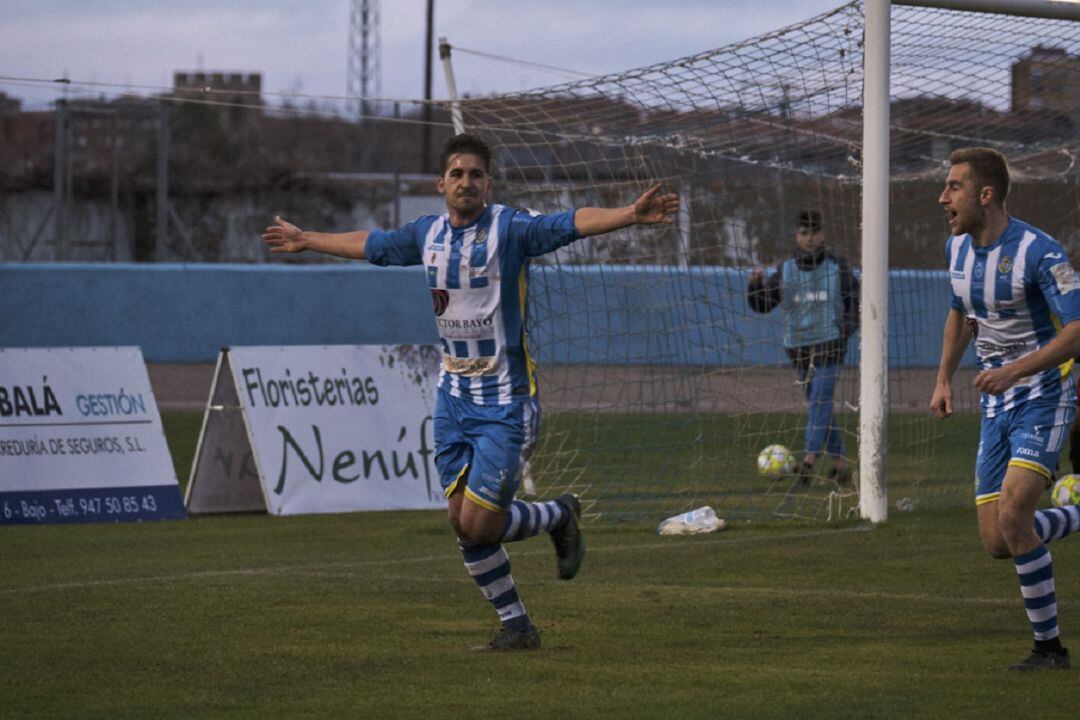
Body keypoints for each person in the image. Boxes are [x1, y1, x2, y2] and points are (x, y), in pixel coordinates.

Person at [262, 133, 678, 651]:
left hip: (506, 403)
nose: (466, 182)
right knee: (462, 522)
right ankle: (517, 625)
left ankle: (557, 515)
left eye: (476, 174)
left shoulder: (511, 229)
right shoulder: (426, 233)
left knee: (482, 523)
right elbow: (371, 245)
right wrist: (308, 240)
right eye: (457, 174)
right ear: (441, 183)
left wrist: (628, 215)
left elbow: (570, 222)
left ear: (488, 183)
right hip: (452, 401)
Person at [930, 147, 1080, 671]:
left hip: (1045, 393)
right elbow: (958, 313)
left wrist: (1016, 370)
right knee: (999, 540)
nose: (942, 197)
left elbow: (1078, 332)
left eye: (953, 187)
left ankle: (1050, 650)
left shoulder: (1042, 252)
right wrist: (944, 378)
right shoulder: (956, 252)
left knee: (1016, 516)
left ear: (984, 194)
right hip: (997, 404)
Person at [747, 209, 860, 487]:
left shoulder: (838, 267)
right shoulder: (785, 270)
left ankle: (808, 462)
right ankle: (840, 464)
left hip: (829, 348)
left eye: (814, 232)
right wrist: (754, 287)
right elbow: (763, 305)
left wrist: (842, 335)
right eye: (804, 233)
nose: (809, 238)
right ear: (797, 237)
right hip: (798, 349)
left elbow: (855, 306)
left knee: (819, 402)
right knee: (819, 407)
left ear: (823, 235)